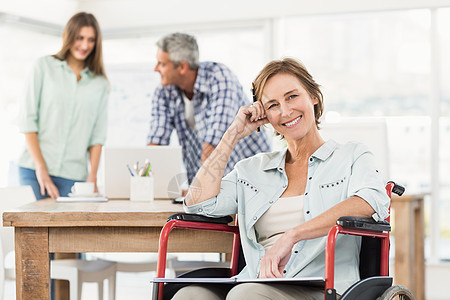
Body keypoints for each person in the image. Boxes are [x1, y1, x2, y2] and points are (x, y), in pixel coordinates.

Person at [176, 58, 390, 300]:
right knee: (190, 294)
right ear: (264, 114)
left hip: (324, 288)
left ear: (314, 96)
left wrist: (293, 235)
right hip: (258, 280)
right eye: (273, 105)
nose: (286, 111)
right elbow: (197, 202)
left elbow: (371, 200)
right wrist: (232, 134)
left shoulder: (352, 155)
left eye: (292, 96)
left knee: (245, 295)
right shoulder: (252, 170)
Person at [147, 32, 271, 185]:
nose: (156, 69)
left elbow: (215, 142)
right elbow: (156, 143)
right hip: (206, 180)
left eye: (162, 64)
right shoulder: (164, 91)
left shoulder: (219, 77)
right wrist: (147, 183)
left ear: (182, 67)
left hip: (252, 177)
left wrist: (199, 190)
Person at [18, 12, 109, 200]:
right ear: (69, 36)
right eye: (80, 38)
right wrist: (41, 168)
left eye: (91, 40)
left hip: (74, 178)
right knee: (32, 229)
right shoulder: (43, 67)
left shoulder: (100, 83)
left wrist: (92, 177)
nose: (85, 46)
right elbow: (28, 121)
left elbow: (97, 136)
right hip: (34, 171)